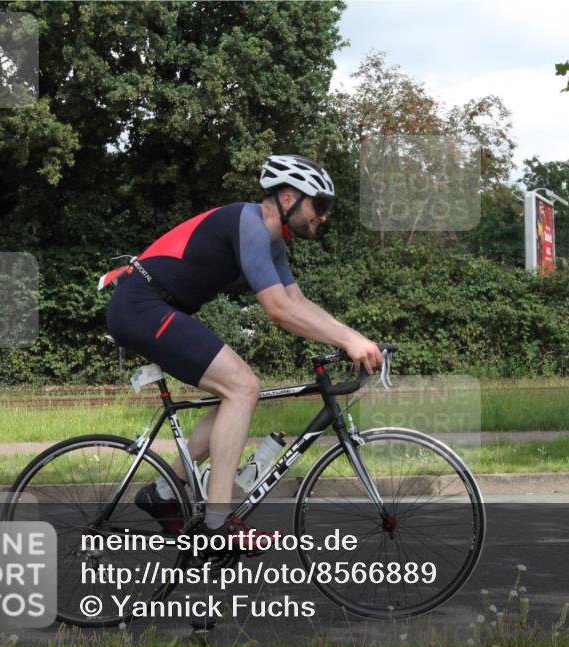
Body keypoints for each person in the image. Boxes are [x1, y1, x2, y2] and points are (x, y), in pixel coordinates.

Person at [102, 155, 382, 555]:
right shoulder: (249, 223)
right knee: (243, 387)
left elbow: (297, 301)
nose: (323, 216)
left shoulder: (271, 241)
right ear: (288, 198)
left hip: (151, 307)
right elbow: (279, 310)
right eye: (319, 205)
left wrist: (355, 337)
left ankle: (164, 492)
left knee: (236, 394)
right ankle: (218, 525)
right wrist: (348, 341)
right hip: (141, 306)